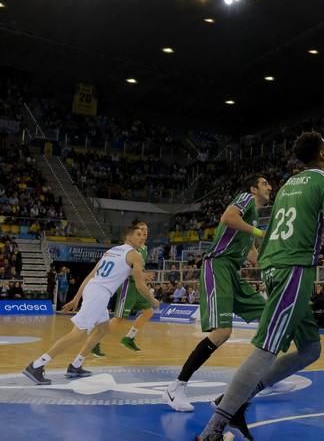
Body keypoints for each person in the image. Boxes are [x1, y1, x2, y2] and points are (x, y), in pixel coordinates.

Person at [195, 132, 324, 441]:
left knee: (310, 349)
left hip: (273, 264)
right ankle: (213, 429)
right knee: (266, 348)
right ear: (321, 153)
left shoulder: (287, 186)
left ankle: (237, 399)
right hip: (293, 269)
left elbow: (303, 229)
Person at [165, 175, 295, 412]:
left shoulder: (253, 218)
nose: (270, 187)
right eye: (265, 183)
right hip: (217, 266)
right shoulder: (245, 199)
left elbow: (253, 254)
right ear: (254, 188)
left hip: (233, 272)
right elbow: (227, 217)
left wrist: (274, 267)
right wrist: (258, 232)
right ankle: (177, 387)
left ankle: (267, 375)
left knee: (269, 317)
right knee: (222, 332)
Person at [23, 225, 159, 384]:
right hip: (99, 294)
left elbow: (91, 275)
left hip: (94, 289)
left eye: (143, 235)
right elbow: (140, 285)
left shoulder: (112, 251)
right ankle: (37, 365)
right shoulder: (135, 255)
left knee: (103, 329)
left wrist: (77, 297)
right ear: (128, 237)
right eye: (138, 234)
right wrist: (152, 300)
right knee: (78, 334)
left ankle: (76, 364)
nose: (142, 237)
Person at [81, 221, 154, 357]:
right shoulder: (131, 248)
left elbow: (137, 271)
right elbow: (126, 270)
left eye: (146, 230)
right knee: (119, 318)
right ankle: (95, 342)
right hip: (128, 286)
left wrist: (143, 276)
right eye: (141, 229)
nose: (144, 232)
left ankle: (129, 338)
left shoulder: (144, 248)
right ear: (133, 233)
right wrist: (142, 275)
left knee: (149, 311)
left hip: (138, 287)